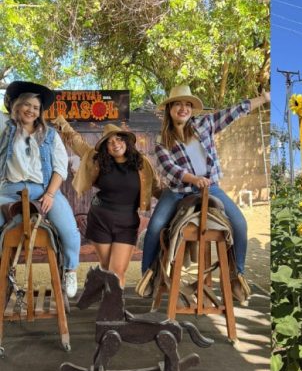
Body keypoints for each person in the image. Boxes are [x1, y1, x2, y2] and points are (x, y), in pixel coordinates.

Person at [140, 85, 270, 304]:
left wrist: (263, 99)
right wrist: (193, 179)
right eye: (178, 104)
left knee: (240, 224)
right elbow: (171, 169)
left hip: (211, 188)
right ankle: (149, 276)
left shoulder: (205, 124)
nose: (183, 108)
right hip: (178, 192)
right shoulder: (163, 142)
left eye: (188, 104)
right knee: (154, 227)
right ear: (170, 108)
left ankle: (236, 276)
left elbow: (234, 111)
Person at [52, 118, 159, 287]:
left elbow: (156, 187)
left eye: (118, 139)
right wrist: (61, 123)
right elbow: (76, 141)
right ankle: (111, 308)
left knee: (116, 272)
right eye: (109, 142)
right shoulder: (98, 161)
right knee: (106, 268)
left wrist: (174, 196)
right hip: (100, 218)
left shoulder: (141, 163)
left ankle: (113, 310)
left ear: (126, 141)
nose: (115, 144)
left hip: (127, 222)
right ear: (105, 148)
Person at [0, 81, 80, 297]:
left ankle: (70, 270)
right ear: (16, 105)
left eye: (36, 107)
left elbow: (60, 168)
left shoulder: (50, 135)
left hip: (43, 189)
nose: (31, 110)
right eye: (26, 105)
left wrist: (51, 194)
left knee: (69, 231)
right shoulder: (5, 127)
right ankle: (4, 275)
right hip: (9, 190)